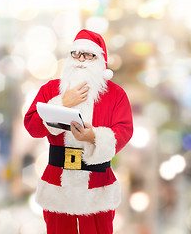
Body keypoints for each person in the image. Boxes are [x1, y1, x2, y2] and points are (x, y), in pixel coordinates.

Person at [24, 29, 133, 234]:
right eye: (77, 54)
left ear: (100, 59)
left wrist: (93, 137)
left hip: (97, 186)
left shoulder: (116, 95)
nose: (81, 60)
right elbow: (32, 126)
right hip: (58, 184)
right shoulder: (51, 90)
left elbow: (124, 131)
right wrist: (63, 103)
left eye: (89, 55)